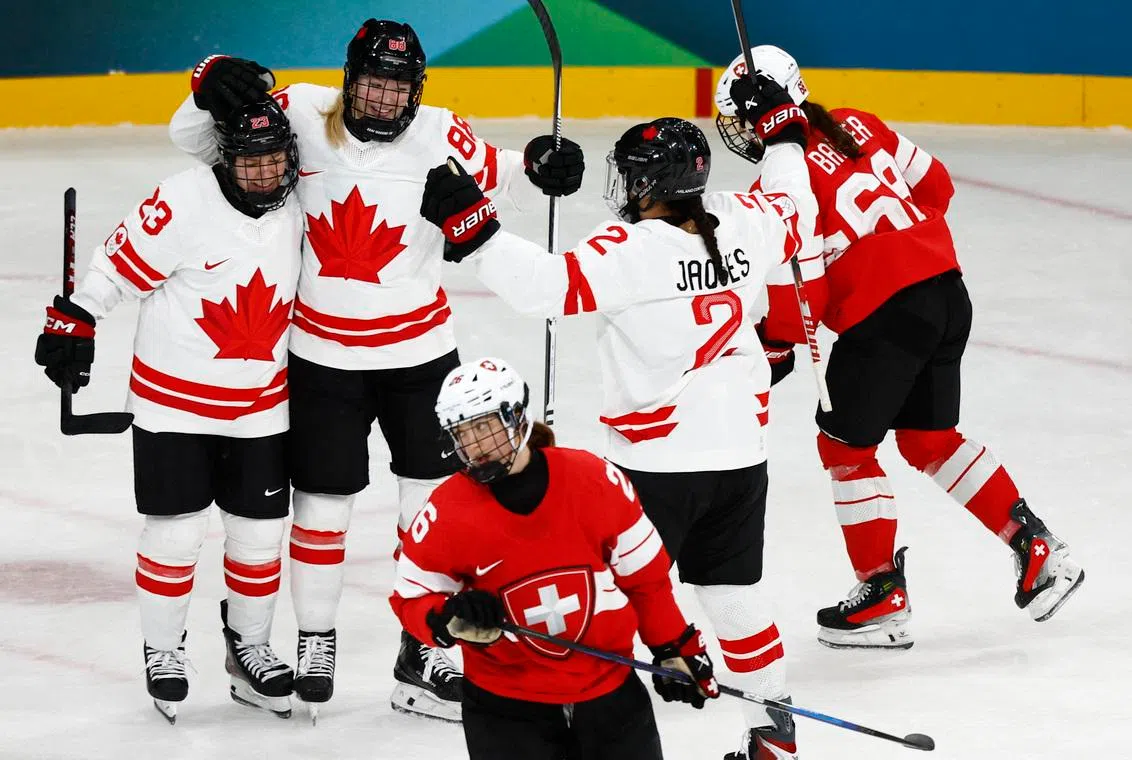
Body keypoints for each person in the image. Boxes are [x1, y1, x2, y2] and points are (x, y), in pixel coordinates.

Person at [167, 20, 585, 720]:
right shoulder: (299, 112)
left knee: (431, 511)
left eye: (400, 89)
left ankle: (421, 654)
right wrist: (204, 82)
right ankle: (316, 638)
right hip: (322, 356)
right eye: (372, 85)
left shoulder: (441, 133)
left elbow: (508, 174)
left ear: (416, 90)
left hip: (420, 358)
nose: (386, 102)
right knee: (322, 509)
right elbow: (194, 138)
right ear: (347, 79)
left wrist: (545, 162)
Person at [418, 79, 818, 759]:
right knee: (732, 594)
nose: (625, 190)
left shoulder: (631, 250)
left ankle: (577, 726)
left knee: (607, 594)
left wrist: (476, 232)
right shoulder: (748, 218)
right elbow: (795, 203)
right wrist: (781, 128)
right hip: (740, 458)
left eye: (633, 178)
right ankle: (773, 732)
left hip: (653, 466)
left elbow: (546, 288)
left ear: (653, 182)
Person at [713, 46, 1085, 650]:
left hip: (885, 319)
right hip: (946, 291)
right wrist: (905, 248)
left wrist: (773, 345)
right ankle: (1035, 547)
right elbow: (936, 187)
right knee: (930, 440)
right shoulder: (857, 120)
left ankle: (882, 591)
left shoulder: (777, 189)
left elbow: (797, 306)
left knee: (843, 447)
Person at [34, 99, 303, 722]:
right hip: (172, 406)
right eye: (249, 162)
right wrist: (74, 321)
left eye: (274, 161)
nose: (264, 175)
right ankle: (163, 651)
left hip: (262, 406)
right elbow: (113, 268)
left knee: (260, 537)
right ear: (223, 160)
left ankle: (251, 649)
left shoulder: (299, 204)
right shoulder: (181, 201)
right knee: (175, 534)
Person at [390, 357, 718, 760]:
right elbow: (410, 597)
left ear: (516, 419)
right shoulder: (445, 511)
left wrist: (674, 645)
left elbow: (645, 578)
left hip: (610, 693)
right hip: (506, 708)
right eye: (461, 432)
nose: (473, 446)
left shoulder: (593, 479)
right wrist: (446, 617)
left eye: (483, 427)